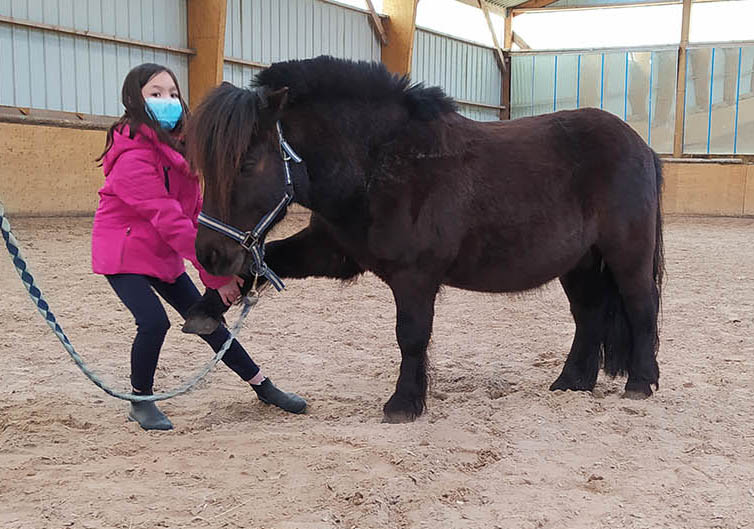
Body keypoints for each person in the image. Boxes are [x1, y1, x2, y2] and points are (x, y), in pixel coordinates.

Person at [91, 63, 306, 431]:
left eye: (173, 93)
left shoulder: (185, 153)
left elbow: (195, 219)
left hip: (162, 255)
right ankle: (141, 401)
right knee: (153, 322)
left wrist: (215, 277)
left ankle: (262, 386)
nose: (168, 101)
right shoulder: (132, 160)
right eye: (156, 94)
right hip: (124, 253)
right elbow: (171, 222)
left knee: (208, 319)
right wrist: (218, 276)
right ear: (135, 100)